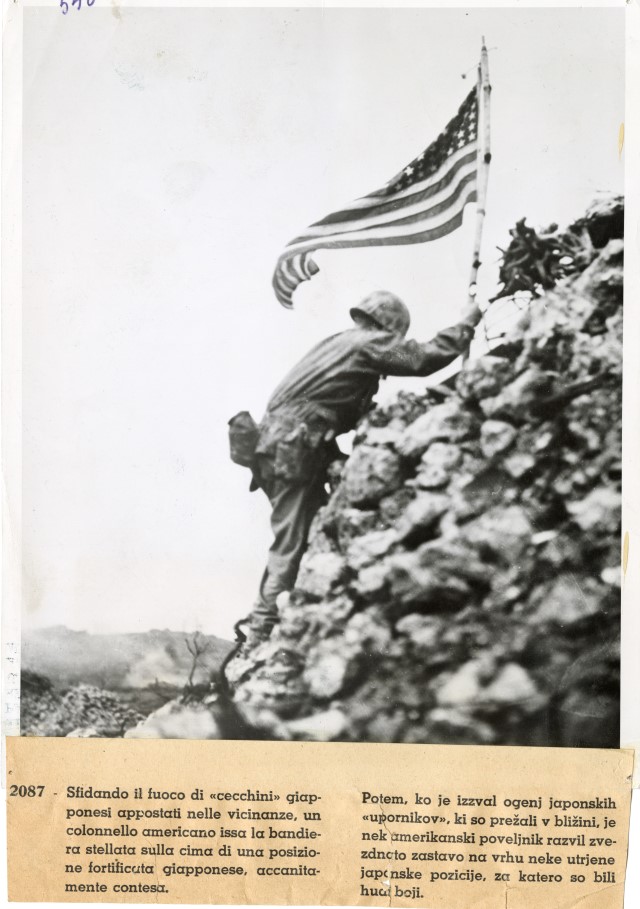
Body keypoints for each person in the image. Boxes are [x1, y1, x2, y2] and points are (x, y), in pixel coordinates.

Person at [242, 291, 482, 645]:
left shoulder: (338, 343)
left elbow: (326, 407)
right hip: (292, 448)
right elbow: (422, 358)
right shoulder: (368, 343)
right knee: (291, 538)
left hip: (279, 446)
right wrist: (465, 324)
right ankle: (260, 628)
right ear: (388, 327)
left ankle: (288, 614)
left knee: (307, 529)